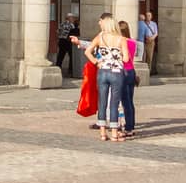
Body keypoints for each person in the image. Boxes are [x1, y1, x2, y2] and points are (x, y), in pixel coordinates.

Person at [84, 14, 127, 142]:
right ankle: (114, 133)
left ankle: (102, 133)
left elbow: (87, 51)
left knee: (102, 102)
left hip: (103, 71)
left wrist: (97, 62)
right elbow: (126, 58)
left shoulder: (100, 37)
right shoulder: (121, 39)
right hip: (116, 72)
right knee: (114, 103)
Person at [118, 19, 138, 136]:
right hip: (131, 71)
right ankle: (131, 124)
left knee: (125, 101)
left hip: (123, 71)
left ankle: (128, 127)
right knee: (130, 100)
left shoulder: (121, 42)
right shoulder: (133, 42)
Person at [55, 13, 79, 77]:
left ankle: (57, 68)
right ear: (69, 18)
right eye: (72, 18)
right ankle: (71, 70)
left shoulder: (61, 24)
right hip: (68, 42)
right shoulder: (71, 25)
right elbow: (74, 33)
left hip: (61, 41)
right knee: (71, 56)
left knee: (60, 55)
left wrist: (60, 37)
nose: (73, 19)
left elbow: (57, 32)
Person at [140, 10, 158, 75]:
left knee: (150, 57)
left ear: (151, 16)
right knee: (143, 56)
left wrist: (151, 38)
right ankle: (143, 71)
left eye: (149, 15)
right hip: (144, 41)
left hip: (151, 41)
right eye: (147, 15)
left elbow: (156, 33)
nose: (148, 17)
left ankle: (148, 72)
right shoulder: (143, 23)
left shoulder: (154, 24)